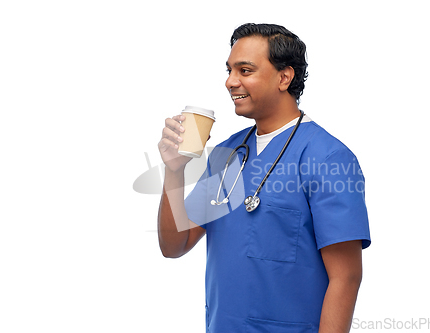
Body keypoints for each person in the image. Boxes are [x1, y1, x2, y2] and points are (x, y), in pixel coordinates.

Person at [158, 23, 371, 333]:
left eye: (245, 71)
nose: (231, 82)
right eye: (230, 70)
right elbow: (174, 245)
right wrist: (174, 171)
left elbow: (346, 278)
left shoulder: (328, 158)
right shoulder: (228, 153)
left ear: (284, 77)